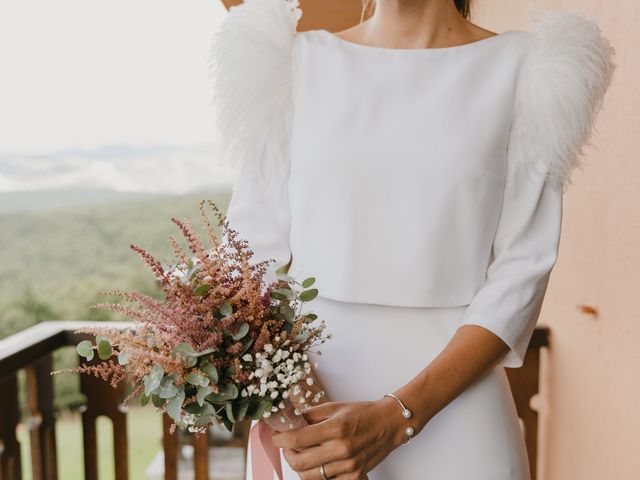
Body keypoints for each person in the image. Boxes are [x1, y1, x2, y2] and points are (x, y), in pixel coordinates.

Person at [208, 0, 616, 478]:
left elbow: (522, 272)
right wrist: (311, 424)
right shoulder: (292, 62)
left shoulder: (531, 69)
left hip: (459, 411)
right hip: (311, 410)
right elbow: (247, 261)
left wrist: (398, 416)